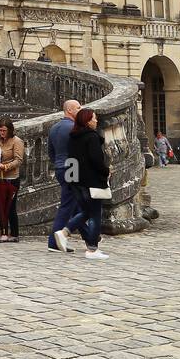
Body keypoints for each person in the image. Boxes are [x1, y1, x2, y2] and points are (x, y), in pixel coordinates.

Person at [55, 108, 112, 260]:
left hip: (76, 181)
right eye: (94, 118)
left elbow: (72, 159)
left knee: (87, 212)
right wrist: (106, 171)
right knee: (95, 215)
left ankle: (64, 232)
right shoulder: (92, 137)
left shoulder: (73, 137)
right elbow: (96, 160)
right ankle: (92, 250)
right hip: (91, 181)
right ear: (87, 121)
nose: (96, 120)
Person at [48, 100, 83, 254]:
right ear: (69, 110)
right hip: (72, 167)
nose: (80, 110)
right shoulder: (74, 128)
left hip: (60, 167)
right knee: (68, 205)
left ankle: (90, 237)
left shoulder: (54, 128)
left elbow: (51, 152)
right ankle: (54, 241)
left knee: (76, 206)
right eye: (78, 108)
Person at [0, 117, 25, 243]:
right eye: (0, 131)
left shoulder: (17, 141)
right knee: (0, 206)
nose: (2, 133)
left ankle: (14, 233)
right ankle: (3, 233)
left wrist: (6, 166)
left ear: (10, 130)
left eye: (4, 131)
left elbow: (18, 160)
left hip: (11, 178)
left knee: (10, 207)